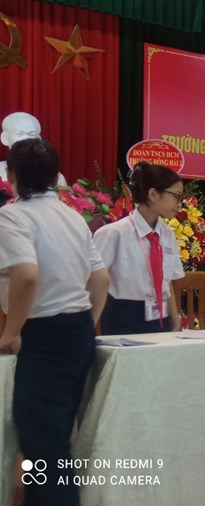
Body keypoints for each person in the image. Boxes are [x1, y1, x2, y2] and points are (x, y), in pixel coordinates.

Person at [0, 138, 109, 505]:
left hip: (42, 334)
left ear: (11, 175)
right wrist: (86, 322)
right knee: (54, 436)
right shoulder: (71, 216)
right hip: (77, 332)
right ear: (54, 176)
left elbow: (26, 275)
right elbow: (100, 278)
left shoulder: (13, 216)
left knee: (42, 442)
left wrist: (12, 332)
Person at [92, 162, 186, 334]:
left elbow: (167, 283)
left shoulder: (167, 234)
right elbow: (93, 280)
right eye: (176, 196)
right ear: (153, 194)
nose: (180, 204)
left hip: (160, 317)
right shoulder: (114, 233)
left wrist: (175, 322)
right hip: (123, 318)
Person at [0, 112, 66, 186]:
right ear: (5, 138)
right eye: (19, 134)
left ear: (39, 139)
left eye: (31, 134)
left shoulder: (53, 176)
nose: (26, 139)